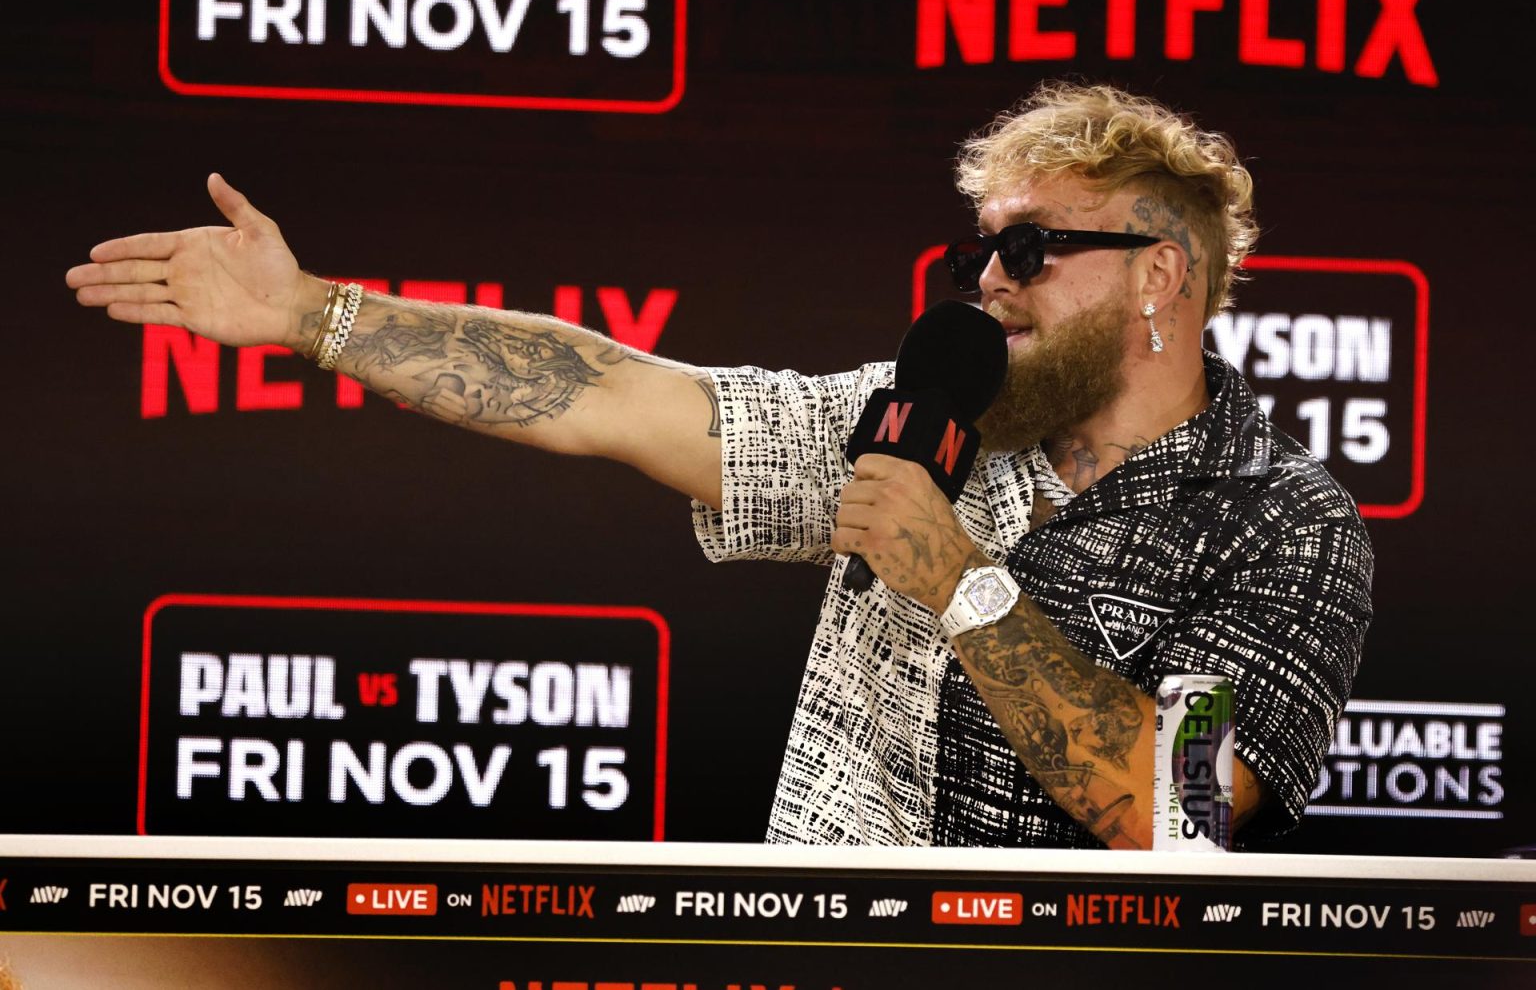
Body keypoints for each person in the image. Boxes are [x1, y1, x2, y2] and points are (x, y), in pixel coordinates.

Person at [67, 82, 1371, 850]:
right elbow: (620, 396)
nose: (989, 280)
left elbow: (1184, 819)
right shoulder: (925, 419)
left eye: (1032, 251)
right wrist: (315, 317)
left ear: (1162, 274)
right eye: (986, 246)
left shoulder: (1280, 530)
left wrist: (959, 583)